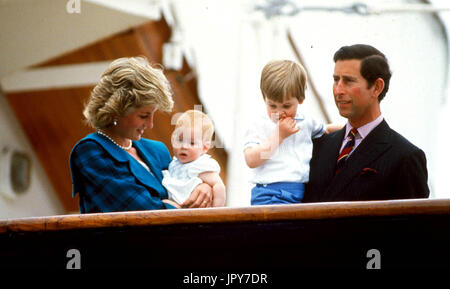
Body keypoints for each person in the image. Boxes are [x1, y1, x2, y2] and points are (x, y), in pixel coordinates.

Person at [69, 56, 212, 213]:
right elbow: (139, 209)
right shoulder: (91, 151)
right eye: (143, 116)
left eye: (153, 115)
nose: (150, 125)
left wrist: (205, 186)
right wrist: (175, 206)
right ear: (117, 109)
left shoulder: (158, 150)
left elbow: (186, 188)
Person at [303, 44, 430, 202]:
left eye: (348, 81)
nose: (338, 90)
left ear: (377, 87)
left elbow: (416, 225)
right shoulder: (318, 146)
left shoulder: (405, 157)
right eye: (336, 80)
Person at [243, 60, 340, 205]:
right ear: (264, 97)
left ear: (300, 99)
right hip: (269, 193)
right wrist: (279, 136)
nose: (279, 112)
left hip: (300, 193)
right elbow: (251, 160)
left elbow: (325, 129)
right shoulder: (260, 124)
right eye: (272, 105)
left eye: (286, 106)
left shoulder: (306, 121)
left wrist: (351, 127)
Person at [162, 110, 226, 207]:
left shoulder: (200, 165)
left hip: (194, 208)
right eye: (180, 140)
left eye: (192, 143)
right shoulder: (174, 163)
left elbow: (219, 185)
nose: (184, 146)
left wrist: (216, 210)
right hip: (177, 206)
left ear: (204, 148)